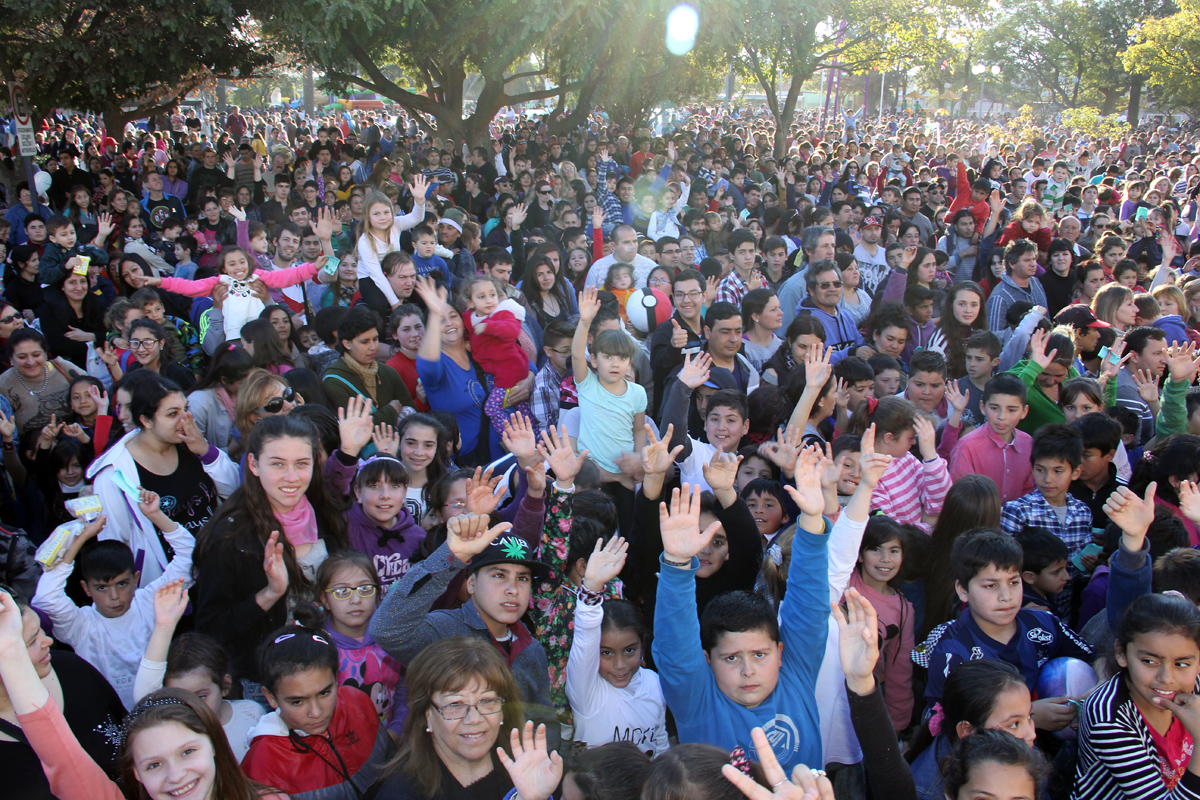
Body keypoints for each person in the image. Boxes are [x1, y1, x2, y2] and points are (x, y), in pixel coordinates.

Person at [652, 446, 830, 773]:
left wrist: (813, 522)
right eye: (731, 658)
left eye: (760, 655)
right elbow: (674, 647)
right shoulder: (698, 702)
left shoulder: (796, 674)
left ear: (780, 652)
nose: (748, 671)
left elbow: (809, 611)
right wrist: (677, 565)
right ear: (708, 660)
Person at [370, 509, 562, 745]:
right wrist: (450, 557)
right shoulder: (444, 630)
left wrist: (542, 766)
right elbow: (387, 628)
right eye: (499, 575)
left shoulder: (532, 649)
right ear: (470, 583)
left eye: (522, 578)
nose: (513, 589)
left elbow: (545, 721)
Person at [192, 414, 348, 691]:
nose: (291, 477)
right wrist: (269, 594)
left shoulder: (324, 512)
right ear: (253, 464)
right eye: (277, 464)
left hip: (329, 668)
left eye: (302, 464)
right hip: (264, 683)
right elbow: (210, 629)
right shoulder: (230, 537)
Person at [912, 528, 1093, 733]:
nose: (1006, 596)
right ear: (963, 590)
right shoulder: (952, 653)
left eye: (1014, 582)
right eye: (991, 586)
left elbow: (1095, 658)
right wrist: (1027, 716)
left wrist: (1093, 691)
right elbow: (942, 726)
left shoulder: (1044, 625)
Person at [31, 501, 193, 710]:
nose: (114, 596)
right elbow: (46, 597)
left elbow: (189, 556)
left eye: (122, 584)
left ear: (136, 579)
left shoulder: (151, 601)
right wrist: (80, 540)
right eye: (101, 588)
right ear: (85, 588)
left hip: (162, 709)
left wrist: (155, 515)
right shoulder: (80, 624)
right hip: (108, 713)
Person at [87, 375, 238, 588]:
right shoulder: (116, 475)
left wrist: (206, 451)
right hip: (169, 586)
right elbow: (114, 542)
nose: (184, 419)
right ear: (146, 420)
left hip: (221, 568)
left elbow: (234, 490)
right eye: (172, 414)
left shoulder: (192, 446)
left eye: (186, 409)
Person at [370, 636, 564, 800]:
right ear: (427, 716)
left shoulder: (532, 773)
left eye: (487, 701)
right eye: (455, 704)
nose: (474, 719)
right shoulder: (400, 792)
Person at [239, 619, 394, 796]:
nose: (316, 712)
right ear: (270, 697)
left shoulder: (358, 702)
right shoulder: (262, 766)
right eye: (297, 702)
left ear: (336, 678)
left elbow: (393, 767)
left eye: (324, 693)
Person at [1074, 592, 1200, 799]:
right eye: (1150, 661)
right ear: (1122, 653)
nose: (1167, 678)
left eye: (1182, 664)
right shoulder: (1108, 716)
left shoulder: (1194, 686)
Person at [131, 583, 265, 762]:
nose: (192, 707)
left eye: (201, 696)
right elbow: (144, 698)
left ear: (224, 685)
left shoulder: (252, 714)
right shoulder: (173, 731)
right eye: (180, 700)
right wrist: (164, 626)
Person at [565, 536, 669, 754]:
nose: (620, 665)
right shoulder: (586, 691)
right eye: (606, 653)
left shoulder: (655, 683)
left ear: (643, 647)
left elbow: (660, 745)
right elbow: (585, 638)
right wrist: (591, 587)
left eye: (629, 650)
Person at [908, 658, 1037, 800]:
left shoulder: (1020, 749)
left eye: (1030, 716)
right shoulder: (927, 793)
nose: (1031, 734)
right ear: (968, 731)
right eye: (1014, 724)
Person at [573, 287, 647, 489]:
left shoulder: (638, 393)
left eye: (622, 358)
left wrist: (639, 460)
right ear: (595, 360)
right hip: (589, 477)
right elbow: (578, 354)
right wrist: (585, 321)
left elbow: (639, 431)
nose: (615, 364)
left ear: (629, 362)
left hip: (625, 475)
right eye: (608, 357)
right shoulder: (587, 385)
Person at [846, 395, 951, 530]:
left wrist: (931, 456)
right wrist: (930, 526)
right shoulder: (867, 474)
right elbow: (892, 532)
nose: (914, 442)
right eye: (911, 437)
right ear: (889, 438)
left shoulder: (905, 458)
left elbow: (940, 503)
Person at [460, 275, 534, 435]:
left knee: (492, 408)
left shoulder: (502, 314)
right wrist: (467, 340)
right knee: (519, 405)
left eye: (492, 295)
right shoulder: (469, 317)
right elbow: (469, 331)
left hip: (510, 368)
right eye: (481, 297)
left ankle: (511, 436)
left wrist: (489, 327)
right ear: (470, 303)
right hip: (496, 370)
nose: (489, 300)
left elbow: (512, 330)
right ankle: (532, 433)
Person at [322, 306, 414, 428]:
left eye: (375, 339)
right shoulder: (334, 381)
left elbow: (413, 416)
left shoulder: (388, 372)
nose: (373, 347)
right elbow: (355, 430)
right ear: (347, 344)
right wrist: (391, 411)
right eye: (364, 342)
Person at [948, 374, 1035, 504]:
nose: (1002, 417)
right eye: (994, 408)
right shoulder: (967, 446)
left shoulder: (1028, 444)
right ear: (983, 407)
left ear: (1024, 411)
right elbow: (961, 496)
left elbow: (1030, 490)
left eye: (1012, 410)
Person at [356, 178, 429, 309]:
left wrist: (419, 201)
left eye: (386, 212)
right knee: (380, 304)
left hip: (395, 272)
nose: (383, 217)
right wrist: (395, 304)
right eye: (376, 214)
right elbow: (377, 275)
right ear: (368, 216)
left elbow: (416, 218)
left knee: (423, 295)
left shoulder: (395, 224)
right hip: (371, 278)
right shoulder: (365, 241)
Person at [186, 344, 253, 452]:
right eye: (242, 383)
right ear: (225, 380)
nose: (250, 385)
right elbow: (195, 449)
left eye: (252, 378)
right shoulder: (199, 403)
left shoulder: (249, 394)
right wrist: (232, 449)